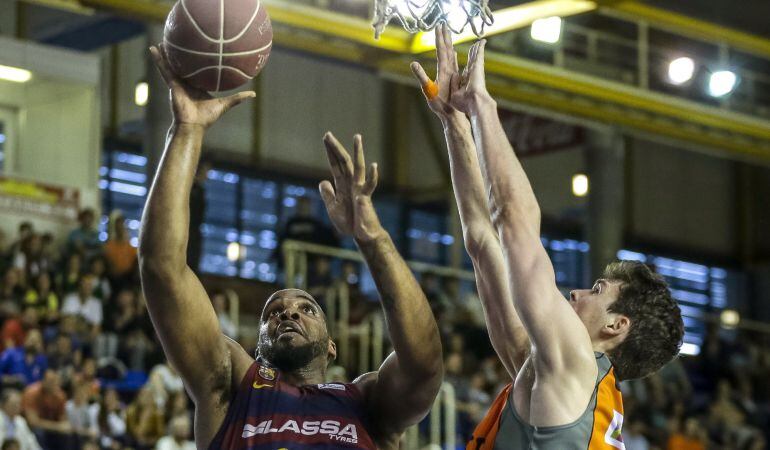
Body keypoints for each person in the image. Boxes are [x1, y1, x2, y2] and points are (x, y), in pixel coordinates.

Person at [138, 45, 443, 449]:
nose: (288, 313)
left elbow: (423, 368)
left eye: (306, 308)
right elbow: (162, 268)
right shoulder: (231, 389)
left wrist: (372, 238)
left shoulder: (366, 403)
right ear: (259, 343)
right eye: (274, 312)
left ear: (331, 346)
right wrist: (187, 131)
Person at [412, 25, 684, 449]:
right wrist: (454, 124)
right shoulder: (545, 369)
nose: (576, 293)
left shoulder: (575, 362)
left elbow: (514, 220)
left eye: (597, 290)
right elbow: (483, 242)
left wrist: (482, 106)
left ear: (616, 325)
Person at [21, 369, 71, 449]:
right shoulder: (31, 393)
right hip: (32, 429)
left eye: (56, 381)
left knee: (66, 434)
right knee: (39, 432)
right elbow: (33, 422)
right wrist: (57, 427)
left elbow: (63, 421)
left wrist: (63, 426)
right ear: (43, 381)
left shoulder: (60, 396)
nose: (54, 383)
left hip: (51, 430)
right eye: (51, 381)